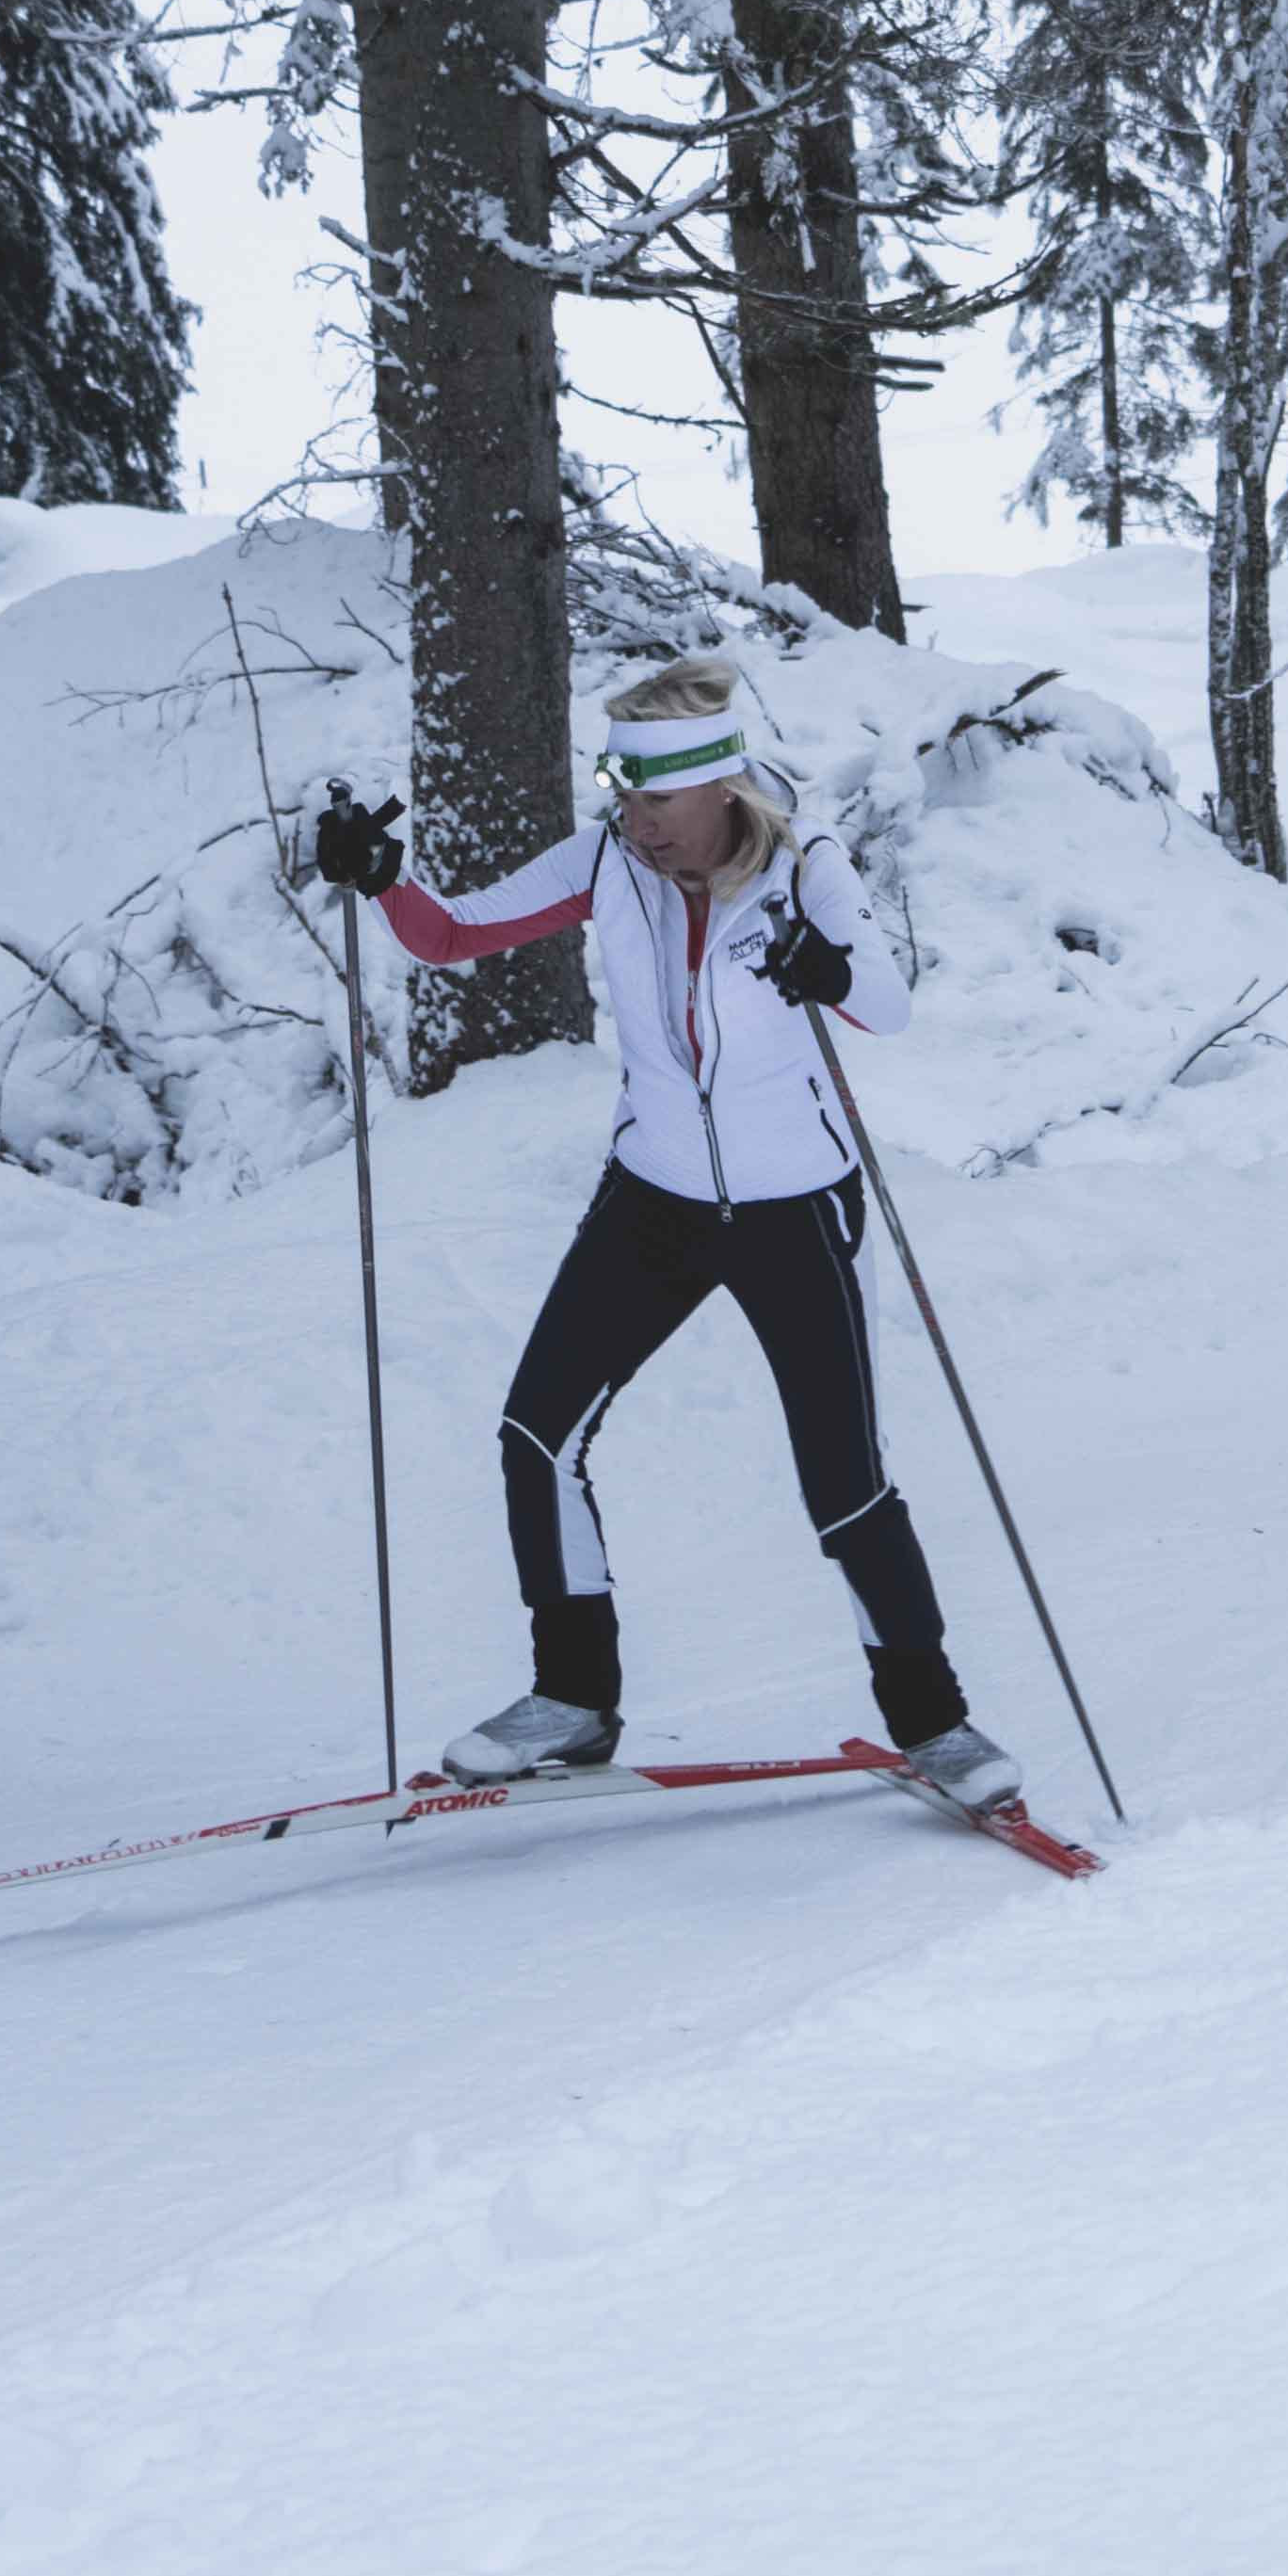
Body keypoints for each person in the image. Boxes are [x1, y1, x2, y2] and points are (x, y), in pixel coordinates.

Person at [314, 656, 1019, 1811]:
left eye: (656, 801)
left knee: (845, 1486)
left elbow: (884, 1004)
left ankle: (933, 1725)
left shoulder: (805, 866)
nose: (635, 821)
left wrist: (824, 965)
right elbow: (447, 936)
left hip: (796, 1204)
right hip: (656, 1195)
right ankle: (574, 1698)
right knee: (534, 1434)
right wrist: (386, 877)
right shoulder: (607, 862)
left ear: (721, 790)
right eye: (622, 792)